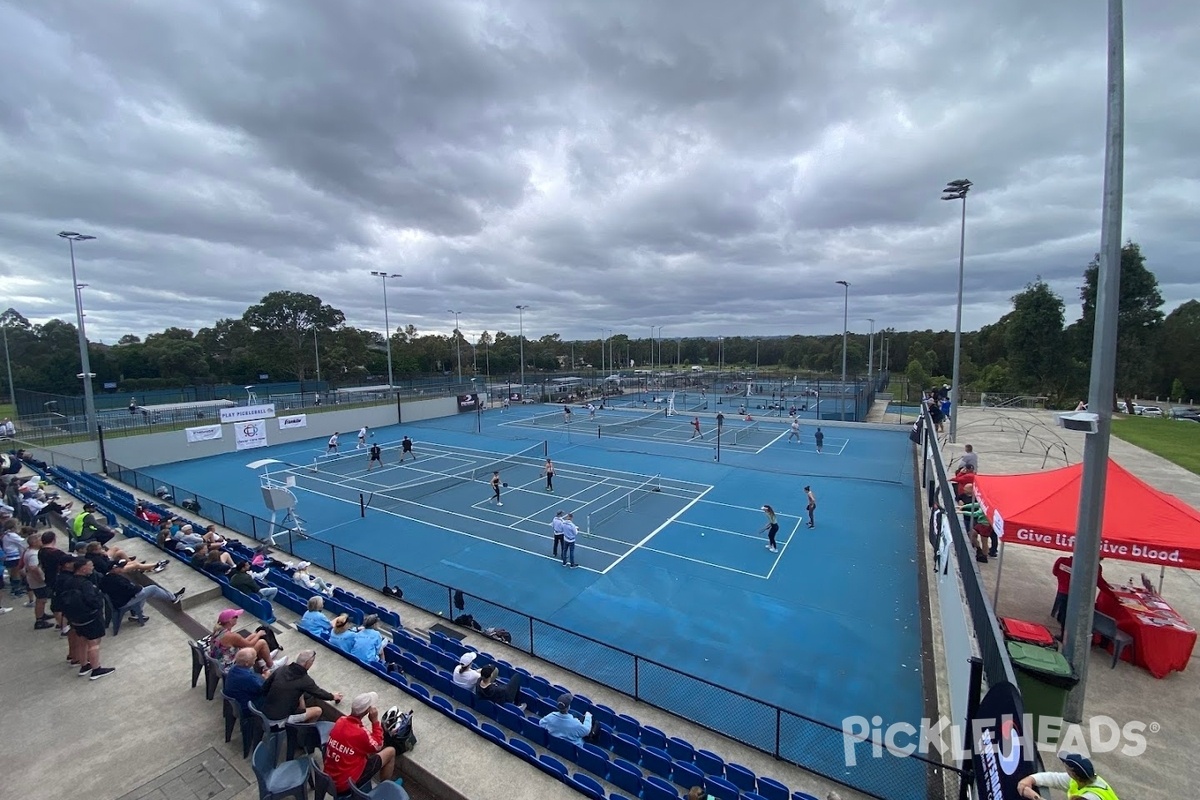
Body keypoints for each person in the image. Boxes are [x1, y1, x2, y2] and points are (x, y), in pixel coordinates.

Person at [324, 691, 400, 794]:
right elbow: (378, 745)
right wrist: (375, 722)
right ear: (367, 711)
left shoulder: (340, 721)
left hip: (328, 779)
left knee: (364, 750)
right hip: (345, 785)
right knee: (390, 751)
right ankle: (385, 789)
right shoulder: (361, 733)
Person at [59, 558, 115, 679]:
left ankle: (84, 665)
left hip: (75, 619)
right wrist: (98, 605)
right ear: (83, 568)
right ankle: (96, 669)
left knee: (81, 641)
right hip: (90, 618)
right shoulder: (86, 584)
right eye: (90, 566)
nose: (92, 567)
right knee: (94, 643)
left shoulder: (68, 581)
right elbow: (91, 600)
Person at [261, 649, 343, 725]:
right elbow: (319, 693)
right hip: (278, 720)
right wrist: (333, 696)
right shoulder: (305, 680)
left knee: (302, 696)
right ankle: (305, 731)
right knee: (317, 710)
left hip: (265, 712)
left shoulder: (281, 669)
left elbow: (264, 688)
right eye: (312, 661)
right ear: (308, 663)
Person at [1017, 752, 1120, 800]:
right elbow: (1054, 779)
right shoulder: (1080, 780)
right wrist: (1030, 779)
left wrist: (1035, 797)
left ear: (1073, 773)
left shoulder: (1092, 797)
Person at [208, 608, 280, 672]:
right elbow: (249, 645)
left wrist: (253, 635)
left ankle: (264, 658)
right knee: (262, 642)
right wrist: (258, 635)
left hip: (220, 662)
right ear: (230, 621)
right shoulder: (232, 636)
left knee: (253, 637)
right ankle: (271, 665)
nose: (237, 618)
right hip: (230, 667)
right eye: (236, 617)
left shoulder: (218, 631)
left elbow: (240, 643)